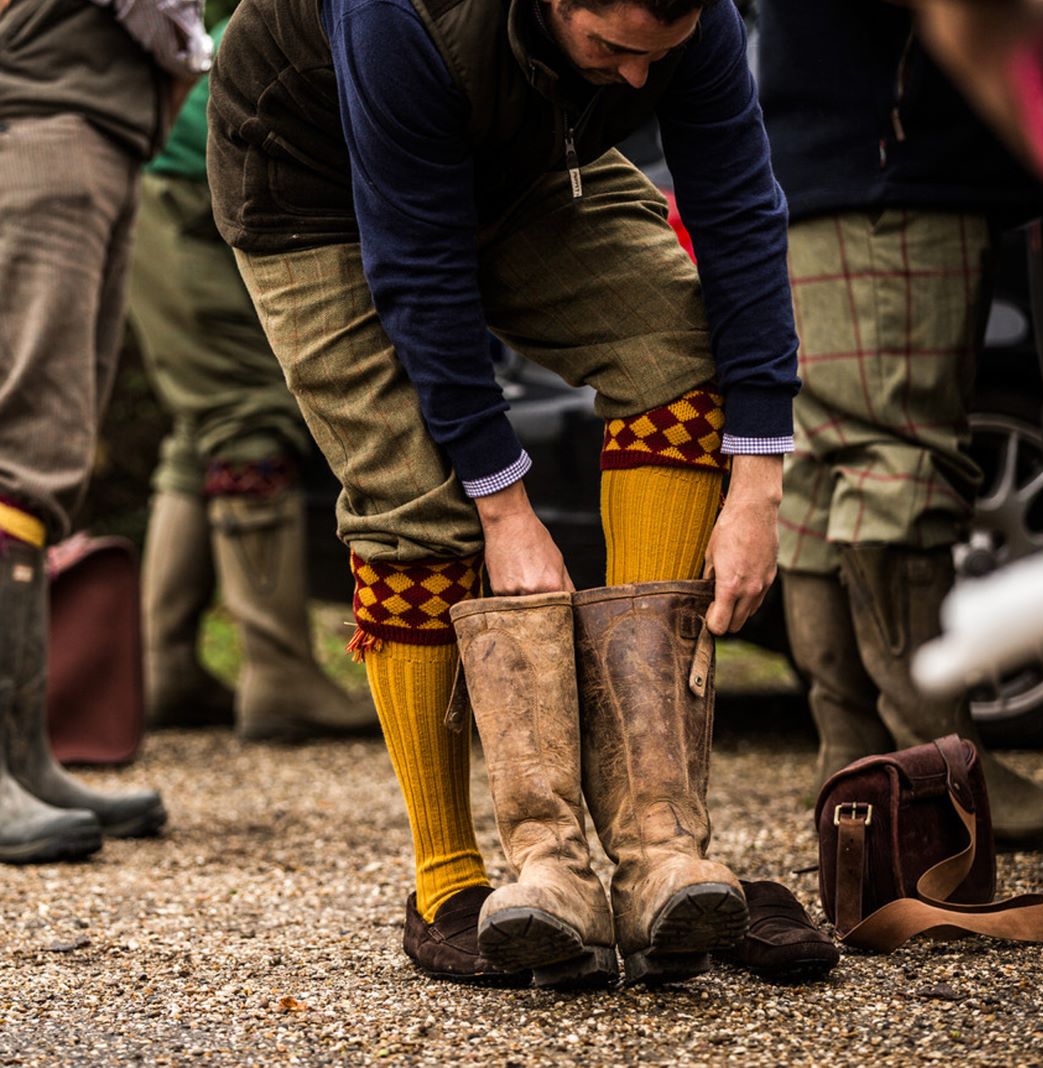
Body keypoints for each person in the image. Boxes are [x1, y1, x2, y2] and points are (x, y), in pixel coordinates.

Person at [207, 0, 813, 984]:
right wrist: (506, 509)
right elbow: (419, 271)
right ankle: (451, 879)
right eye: (610, 48)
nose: (632, 79)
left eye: (652, 57)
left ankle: (652, 848)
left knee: (673, 350)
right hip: (309, 184)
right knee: (416, 501)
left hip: (524, 158)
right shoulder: (406, 16)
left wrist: (757, 480)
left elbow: (740, 217)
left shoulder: (685, 27)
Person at [759, 0, 1043, 850]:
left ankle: (857, 770)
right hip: (895, 171)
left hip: (825, 168)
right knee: (900, 464)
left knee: (829, 472)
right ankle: (940, 775)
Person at [0, 0, 211, 864]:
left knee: (49, 450)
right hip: (42, 127)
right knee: (22, 446)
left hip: (97, 133)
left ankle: (25, 756)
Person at [127, 16, 378, 742]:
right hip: (189, 169)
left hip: (195, 163)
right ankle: (277, 674)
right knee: (245, 417)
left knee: (204, 423)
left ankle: (161, 666)